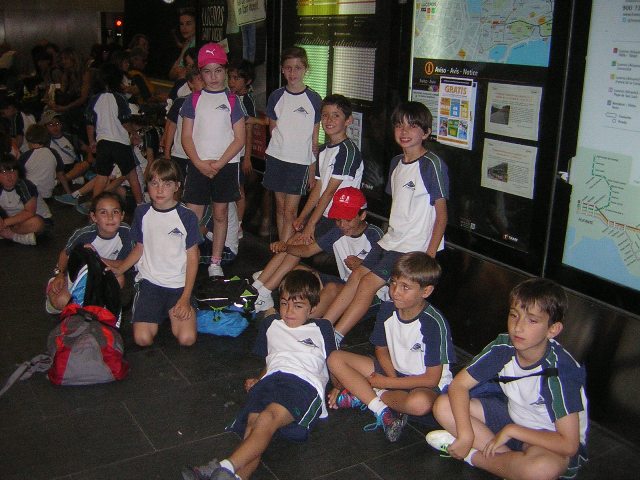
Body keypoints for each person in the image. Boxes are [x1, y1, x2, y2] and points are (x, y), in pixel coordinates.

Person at [426, 278, 588, 480]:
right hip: (512, 417)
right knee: (443, 406)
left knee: (541, 470)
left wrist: (513, 431)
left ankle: (473, 456)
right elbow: (459, 386)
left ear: (552, 329)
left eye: (532, 320)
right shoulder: (505, 346)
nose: (518, 327)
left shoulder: (559, 372)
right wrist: (466, 434)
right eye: (514, 315)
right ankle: (507, 462)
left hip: (548, 440)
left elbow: (569, 445)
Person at [182, 270, 337, 480]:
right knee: (253, 426)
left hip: (303, 383)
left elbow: (333, 363)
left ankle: (223, 467)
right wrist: (260, 378)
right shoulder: (271, 324)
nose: (289, 311)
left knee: (266, 418)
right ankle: (234, 476)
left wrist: (338, 388)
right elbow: (271, 359)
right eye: (284, 303)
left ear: (313, 309)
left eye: (298, 306)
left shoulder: (322, 327)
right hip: (271, 380)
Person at [324, 101, 449, 345]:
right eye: (399, 125)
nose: (404, 131)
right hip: (391, 240)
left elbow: (441, 214)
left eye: (412, 126)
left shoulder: (432, 164)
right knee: (357, 276)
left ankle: (336, 336)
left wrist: (430, 255)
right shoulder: (396, 162)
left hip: (412, 246)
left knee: (368, 283)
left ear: (425, 133)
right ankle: (324, 328)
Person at [327, 252, 454, 442]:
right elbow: (381, 349)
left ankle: (368, 395)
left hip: (424, 384)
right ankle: (381, 410)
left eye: (405, 287)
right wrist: (390, 378)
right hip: (392, 371)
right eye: (393, 283)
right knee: (335, 359)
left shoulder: (433, 323)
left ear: (426, 291)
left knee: (419, 404)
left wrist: (386, 384)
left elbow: (431, 379)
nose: (395, 292)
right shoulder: (388, 309)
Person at [253, 187, 387, 317]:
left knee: (332, 289)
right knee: (297, 272)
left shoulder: (375, 235)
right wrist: (286, 247)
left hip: (372, 294)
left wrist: (363, 266)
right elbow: (308, 250)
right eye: (338, 219)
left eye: (348, 219)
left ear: (362, 215)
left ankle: (306, 322)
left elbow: (387, 271)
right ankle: (273, 298)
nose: (342, 225)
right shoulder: (337, 232)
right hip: (345, 284)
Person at [111, 159, 201, 347]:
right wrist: (120, 270)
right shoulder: (142, 212)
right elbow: (139, 248)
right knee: (142, 339)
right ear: (148, 185)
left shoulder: (187, 216)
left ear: (177, 186)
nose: (160, 190)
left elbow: (193, 257)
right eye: (154, 183)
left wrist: (185, 298)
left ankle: (174, 309)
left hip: (178, 285)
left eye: (167, 184)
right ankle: (159, 310)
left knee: (187, 339)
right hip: (150, 283)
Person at [180, 42, 246, 278]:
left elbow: (239, 138)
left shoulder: (233, 101)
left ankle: (215, 262)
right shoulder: (193, 100)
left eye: (218, 70)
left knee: (220, 214)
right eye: (207, 71)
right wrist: (198, 162)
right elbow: (186, 137)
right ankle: (187, 258)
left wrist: (219, 163)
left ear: (225, 71)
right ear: (200, 73)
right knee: (192, 216)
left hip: (225, 166)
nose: (213, 76)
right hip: (199, 165)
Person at [263, 46, 322, 242]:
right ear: (282, 69)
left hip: (299, 163)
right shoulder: (276, 96)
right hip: (276, 158)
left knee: (290, 212)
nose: (293, 73)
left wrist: (312, 170)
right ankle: (283, 248)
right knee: (280, 209)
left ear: (305, 69)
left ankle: (285, 252)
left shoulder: (314, 99)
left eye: (297, 68)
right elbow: (273, 129)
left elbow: (314, 139)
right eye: (288, 68)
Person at [45, 191, 133, 314]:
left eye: (115, 212)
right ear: (94, 217)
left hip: (105, 272)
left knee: (120, 279)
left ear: (122, 215)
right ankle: (56, 293)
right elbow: (65, 254)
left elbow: (124, 263)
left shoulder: (127, 233)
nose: (110, 217)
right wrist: (59, 274)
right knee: (61, 302)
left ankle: (95, 304)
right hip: (80, 273)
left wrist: (94, 258)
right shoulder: (84, 235)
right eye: (103, 212)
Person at [85, 63, 143, 207]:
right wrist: (134, 134)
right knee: (132, 176)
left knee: (101, 176)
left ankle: (95, 208)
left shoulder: (94, 99)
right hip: (120, 143)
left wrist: (91, 142)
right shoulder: (120, 98)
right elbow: (124, 121)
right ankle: (140, 205)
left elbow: (89, 123)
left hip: (103, 143)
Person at [227, 59, 256, 235]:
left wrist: (247, 157)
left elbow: (249, 130)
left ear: (248, 81)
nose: (232, 82)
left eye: (236, 78)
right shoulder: (229, 96)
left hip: (239, 154)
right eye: (230, 77)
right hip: (227, 152)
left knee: (239, 190)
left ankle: (238, 225)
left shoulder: (246, 101)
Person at [19, 123, 69, 220]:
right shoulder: (53, 152)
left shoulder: (25, 156)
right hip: (47, 194)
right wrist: (69, 193)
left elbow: (19, 176)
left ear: (29, 140)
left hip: (32, 195)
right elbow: (61, 174)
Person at [164, 68, 205, 183]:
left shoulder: (209, 104)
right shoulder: (181, 102)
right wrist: (167, 153)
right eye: (199, 79)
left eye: (204, 79)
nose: (203, 82)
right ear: (190, 83)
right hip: (179, 152)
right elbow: (171, 126)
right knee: (176, 184)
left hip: (200, 155)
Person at [0, 152, 44, 245]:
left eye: (12, 170)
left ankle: (12, 236)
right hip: (11, 222)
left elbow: (29, 212)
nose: (9, 175)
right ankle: (13, 235)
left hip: (32, 219)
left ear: (18, 172)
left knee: (36, 223)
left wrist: (4, 223)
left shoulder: (25, 185)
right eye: (3, 172)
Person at [41, 109, 91, 187]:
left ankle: (60, 181)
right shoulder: (44, 142)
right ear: (45, 127)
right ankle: (71, 179)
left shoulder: (71, 137)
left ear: (61, 124)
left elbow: (88, 149)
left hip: (72, 166)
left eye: (57, 123)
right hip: (56, 169)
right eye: (50, 124)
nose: (55, 126)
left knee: (84, 164)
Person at [170, 8, 197, 80]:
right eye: (181, 24)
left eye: (188, 24)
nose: (184, 28)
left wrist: (178, 71)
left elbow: (188, 75)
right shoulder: (187, 43)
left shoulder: (198, 44)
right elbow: (171, 74)